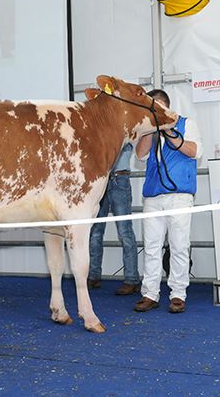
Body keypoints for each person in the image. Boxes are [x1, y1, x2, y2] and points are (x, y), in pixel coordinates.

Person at [133, 89, 202, 314]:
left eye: (157, 107)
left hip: (179, 196)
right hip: (153, 196)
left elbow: (194, 151)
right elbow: (140, 155)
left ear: (166, 107)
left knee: (179, 246)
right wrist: (149, 130)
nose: (154, 111)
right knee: (151, 246)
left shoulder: (186, 124)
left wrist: (169, 130)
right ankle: (150, 293)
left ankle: (178, 294)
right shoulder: (148, 130)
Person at [87, 143, 140, 295]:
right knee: (96, 232)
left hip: (118, 177)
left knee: (123, 231)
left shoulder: (123, 130)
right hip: (102, 179)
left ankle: (131, 279)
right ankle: (93, 275)